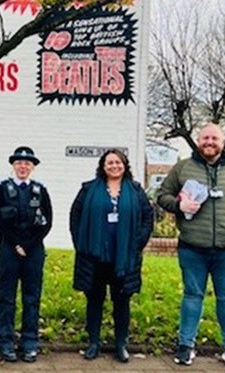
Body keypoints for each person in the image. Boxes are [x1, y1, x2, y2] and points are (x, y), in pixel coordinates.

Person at [156, 124, 225, 370]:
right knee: (192, 296)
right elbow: (163, 196)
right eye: (205, 137)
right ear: (198, 140)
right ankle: (185, 346)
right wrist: (178, 206)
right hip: (193, 245)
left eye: (214, 138)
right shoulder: (183, 167)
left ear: (223, 142)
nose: (209, 142)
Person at [69, 149, 153, 363]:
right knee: (94, 300)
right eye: (110, 163)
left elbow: (147, 217)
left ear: (125, 165)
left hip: (123, 257)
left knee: (122, 301)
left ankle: (121, 344)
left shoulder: (135, 190)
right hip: (94, 256)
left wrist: (136, 244)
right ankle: (94, 343)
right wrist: (81, 243)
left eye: (118, 162)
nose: (114, 166)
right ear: (102, 166)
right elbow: (75, 216)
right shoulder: (88, 189)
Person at [0, 146, 53, 363]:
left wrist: (28, 244)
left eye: (27, 163)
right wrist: (16, 243)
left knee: (32, 297)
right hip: (9, 249)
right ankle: (6, 342)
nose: (23, 167)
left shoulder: (40, 190)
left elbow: (47, 221)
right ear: (13, 166)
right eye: (19, 163)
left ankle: (29, 342)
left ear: (33, 167)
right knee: (6, 297)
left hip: (34, 250)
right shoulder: (2, 189)